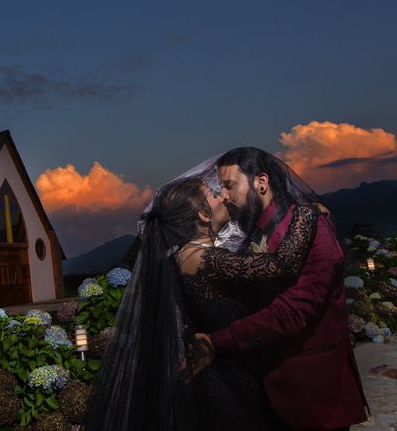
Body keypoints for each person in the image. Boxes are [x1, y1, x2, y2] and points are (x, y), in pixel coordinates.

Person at [83, 166, 320, 430]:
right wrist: (306, 213)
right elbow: (281, 265)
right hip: (229, 385)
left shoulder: (186, 255)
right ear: (204, 214)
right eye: (214, 194)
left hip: (224, 373)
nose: (223, 197)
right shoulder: (199, 258)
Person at [186, 147, 368, 430]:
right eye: (220, 188)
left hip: (313, 389)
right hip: (266, 389)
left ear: (261, 182)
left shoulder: (312, 227)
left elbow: (295, 309)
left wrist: (217, 341)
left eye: (229, 185)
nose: (224, 195)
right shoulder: (249, 234)